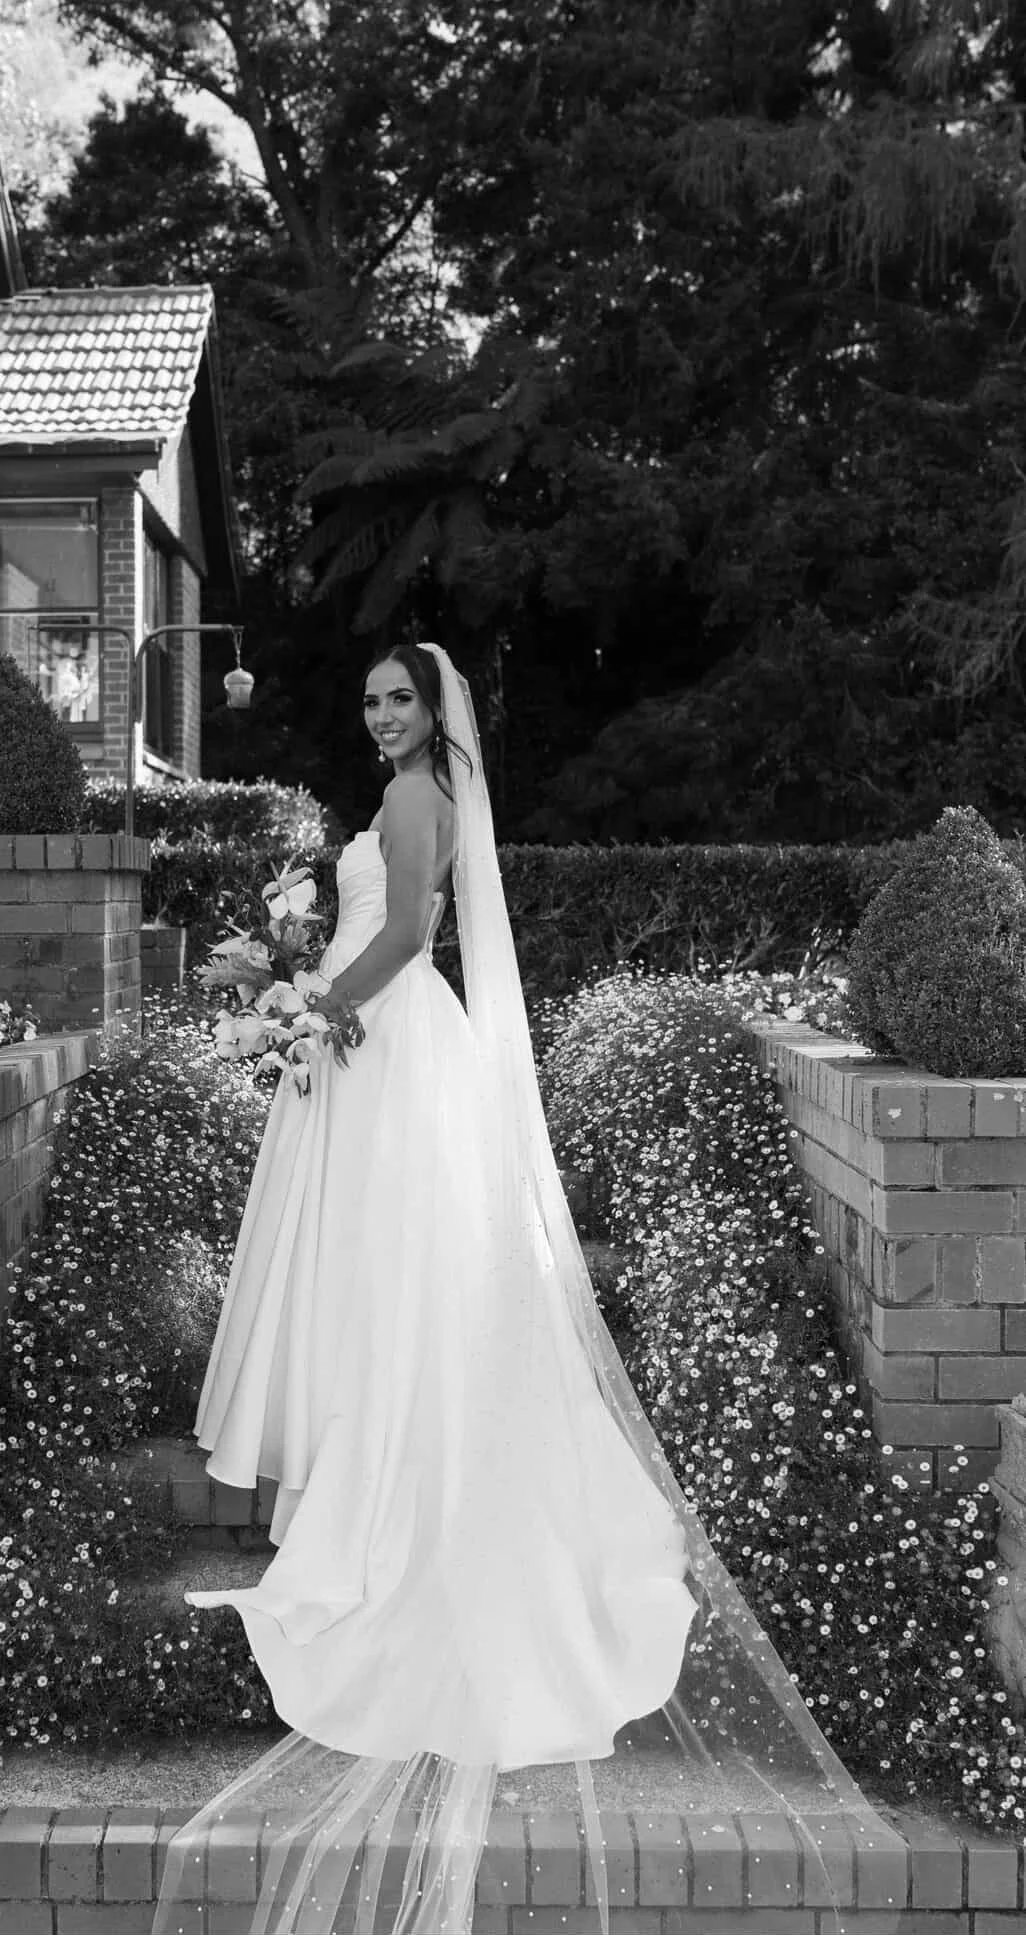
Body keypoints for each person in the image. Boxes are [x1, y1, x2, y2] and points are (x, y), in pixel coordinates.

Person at [155, 643, 901, 1935]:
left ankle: (373, 1482)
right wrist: (298, 979)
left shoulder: (409, 801)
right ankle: (368, 1460)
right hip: (390, 1038)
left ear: (435, 711)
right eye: (371, 699)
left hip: (379, 1037)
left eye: (399, 698)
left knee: (382, 1271)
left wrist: (306, 1001)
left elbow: (402, 931)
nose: (381, 714)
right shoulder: (426, 795)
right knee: (397, 1271)